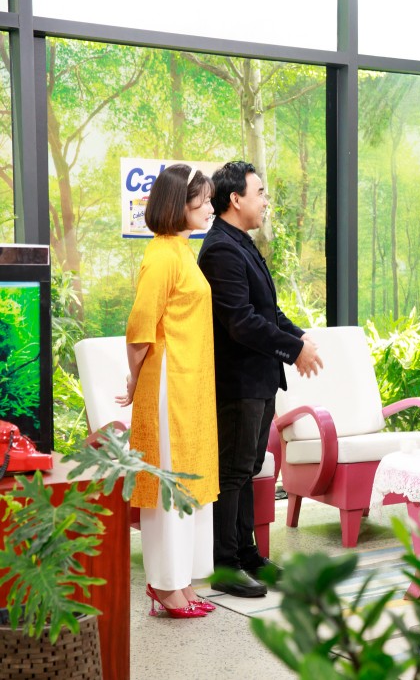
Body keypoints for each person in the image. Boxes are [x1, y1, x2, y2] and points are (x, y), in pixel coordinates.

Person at [197, 161, 324, 597]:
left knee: (248, 468)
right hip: (237, 382)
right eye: (260, 193)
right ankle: (225, 564)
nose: (266, 201)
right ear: (236, 199)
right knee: (232, 472)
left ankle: (248, 554)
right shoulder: (220, 250)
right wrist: (293, 349)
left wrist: (298, 337)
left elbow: (267, 311)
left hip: (259, 379)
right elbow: (241, 323)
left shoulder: (241, 243)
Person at [119, 164, 219, 619]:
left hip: (189, 384)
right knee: (170, 484)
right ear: (180, 203)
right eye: (204, 200)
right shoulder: (161, 254)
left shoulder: (182, 249)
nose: (211, 207)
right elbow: (140, 326)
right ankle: (164, 584)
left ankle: (181, 581)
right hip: (168, 385)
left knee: (190, 480)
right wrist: (135, 379)